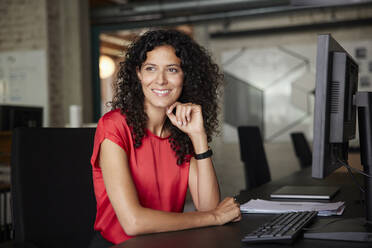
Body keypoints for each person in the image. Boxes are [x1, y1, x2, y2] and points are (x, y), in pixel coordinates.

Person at [89, 29, 241, 247]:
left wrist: (198, 136)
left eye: (172, 69)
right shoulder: (114, 126)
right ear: (139, 74)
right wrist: (215, 217)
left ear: (185, 76)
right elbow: (133, 223)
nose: (160, 80)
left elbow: (207, 206)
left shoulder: (181, 131)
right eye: (151, 68)